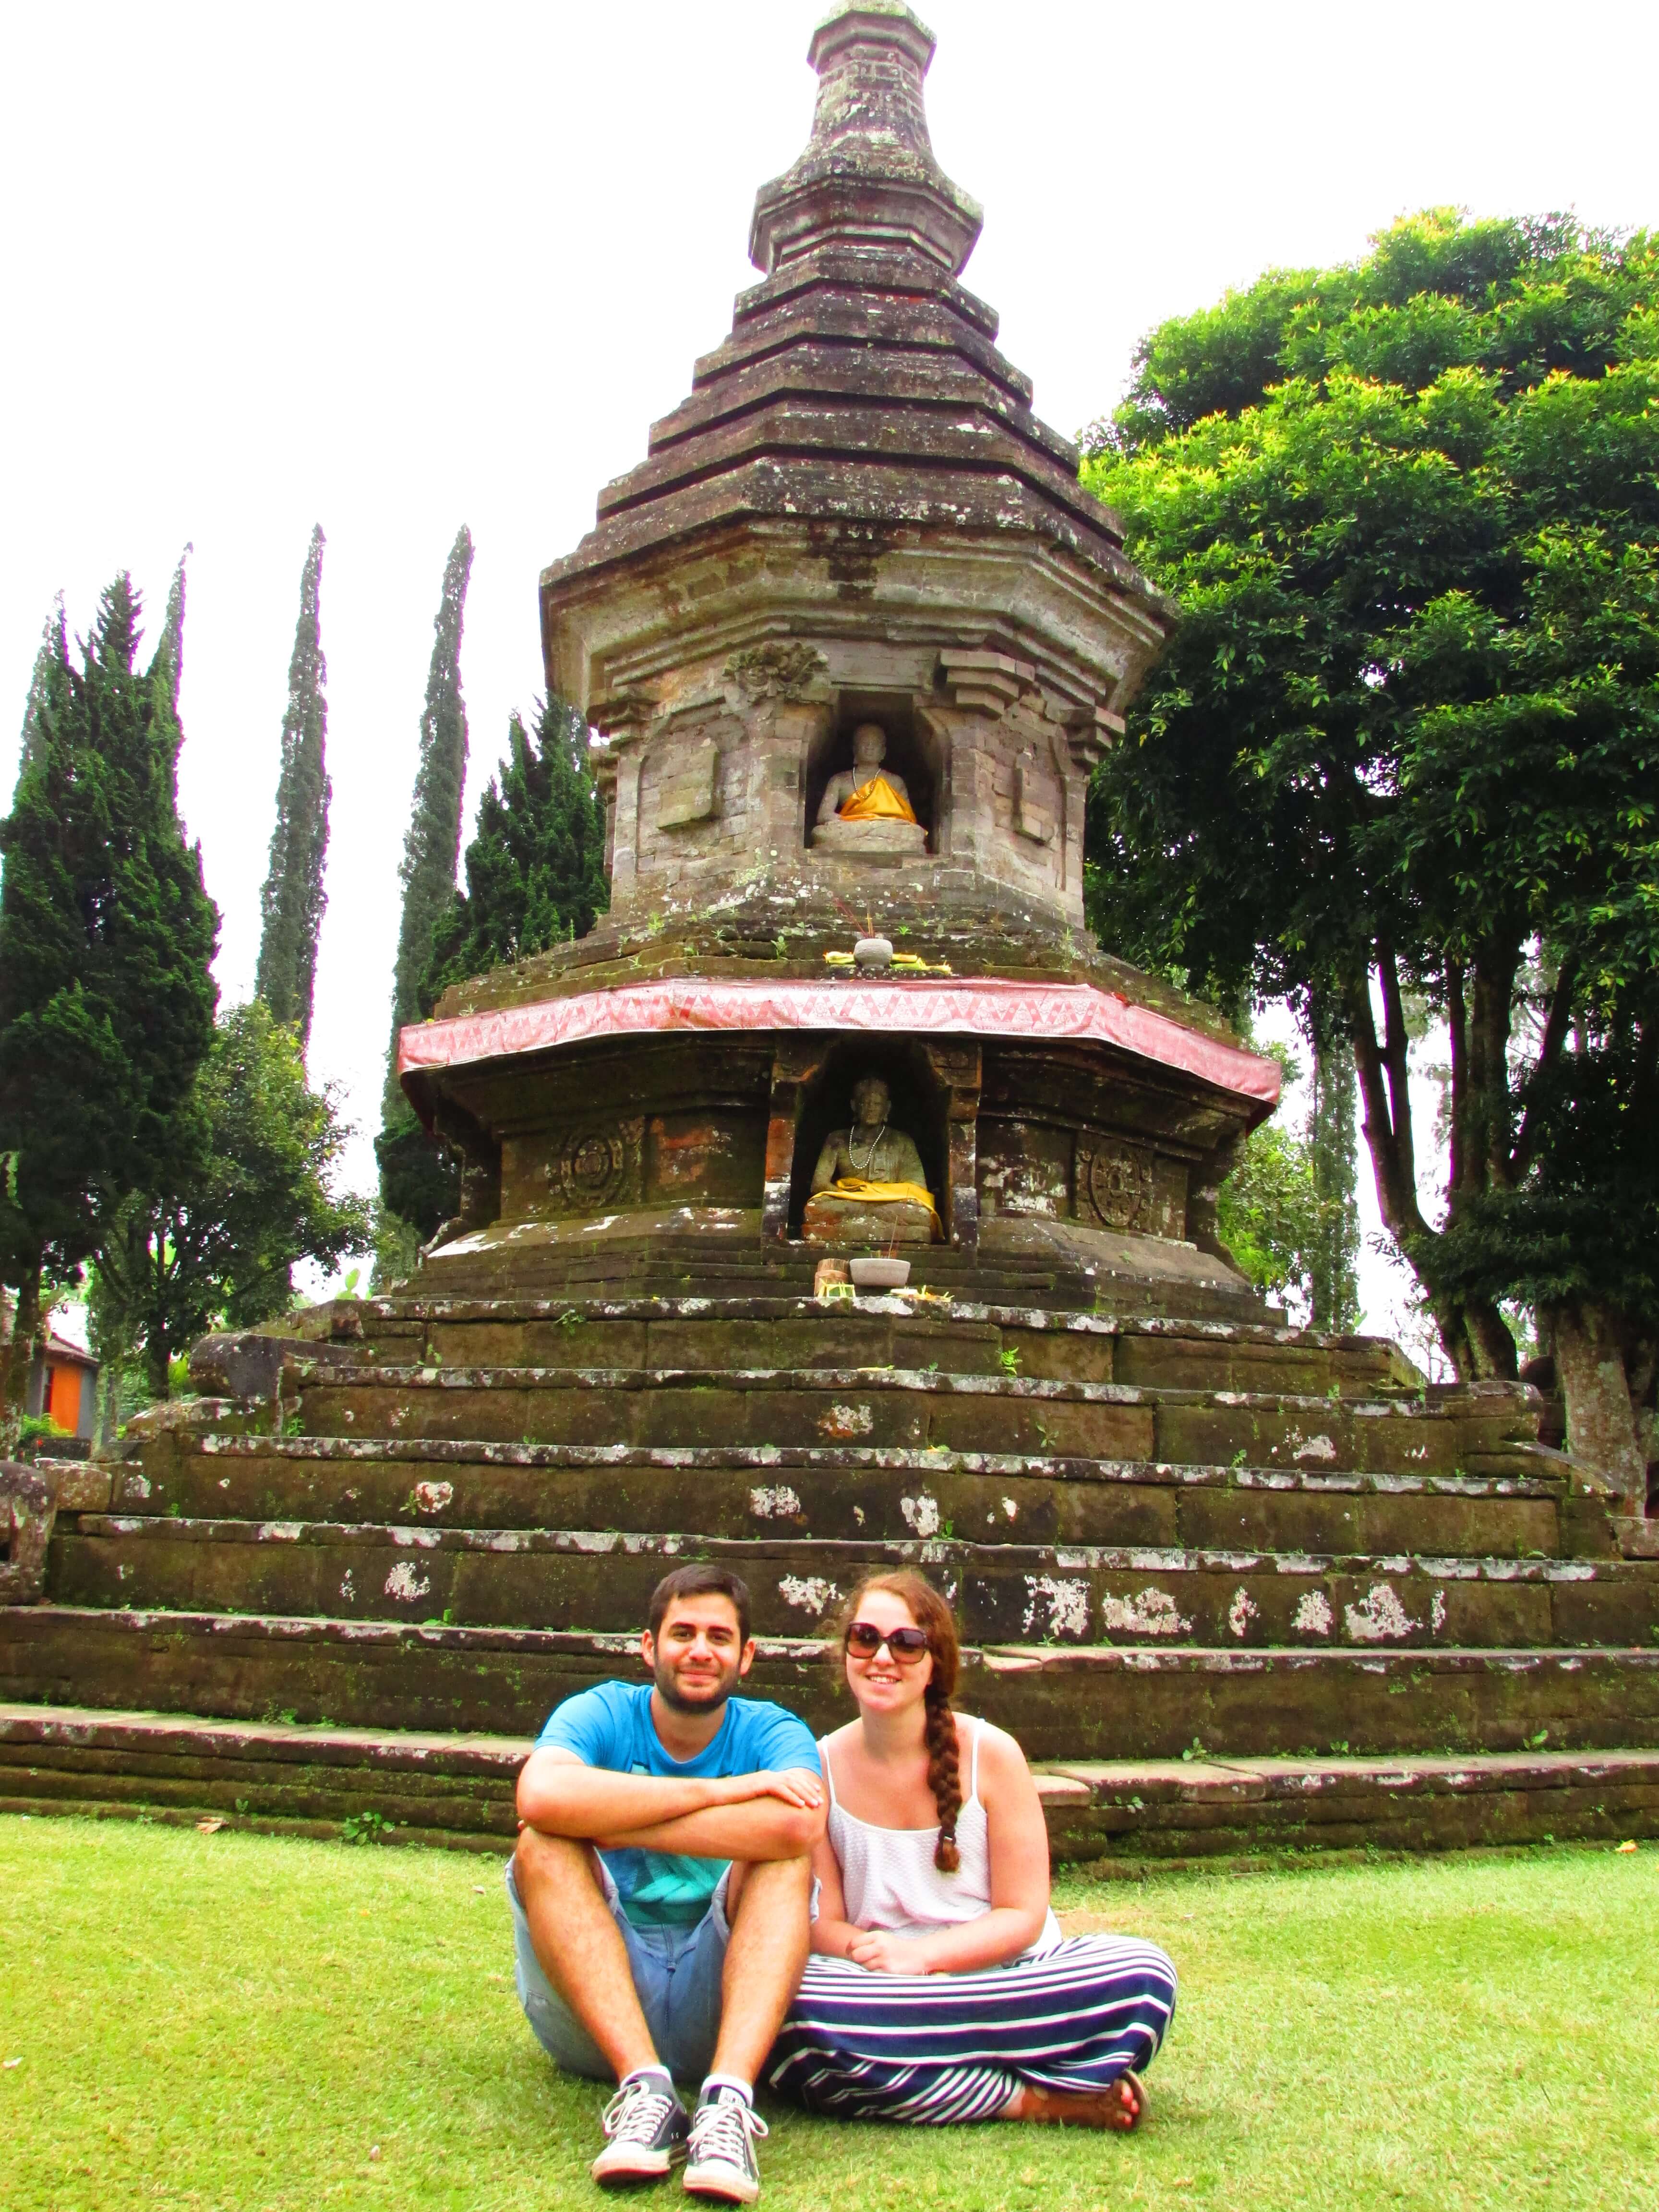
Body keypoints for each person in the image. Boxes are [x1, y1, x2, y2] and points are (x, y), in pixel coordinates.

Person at [767, 1570, 1178, 2128]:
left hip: (1003, 1977)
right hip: (882, 1988)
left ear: (935, 1661)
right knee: (794, 2003)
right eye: (865, 1639)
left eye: (906, 1643)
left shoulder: (993, 1754)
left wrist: (925, 1959)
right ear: (846, 1652)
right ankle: (1034, 2097)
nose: (882, 1657)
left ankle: (919, 2062)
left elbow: (1023, 1915)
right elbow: (825, 1926)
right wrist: (889, 1959)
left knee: (1145, 1973)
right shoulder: (819, 1766)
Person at [510, 1564, 824, 2201]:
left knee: (786, 1860)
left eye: (719, 1636)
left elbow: (797, 1827)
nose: (700, 1650)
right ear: (649, 1646)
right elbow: (540, 1796)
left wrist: (610, 1820)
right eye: (683, 1633)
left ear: (746, 1656)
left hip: (723, 2000)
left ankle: (728, 2102)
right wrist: (725, 1792)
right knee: (541, 1843)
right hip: (595, 2010)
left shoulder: (771, 1730)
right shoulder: (602, 1712)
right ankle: (644, 2089)